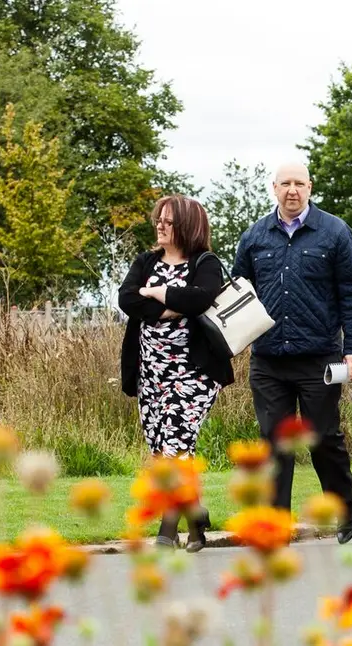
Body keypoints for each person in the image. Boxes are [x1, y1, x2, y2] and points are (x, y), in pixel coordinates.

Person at [232, 161, 352, 544]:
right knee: (274, 443)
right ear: (274, 188)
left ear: (310, 187)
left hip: (320, 358)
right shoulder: (255, 236)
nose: (292, 190)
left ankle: (344, 510)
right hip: (268, 360)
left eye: (299, 183)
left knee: (324, 437)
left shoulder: (335, 232)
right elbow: (238, 294)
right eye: (285, 184)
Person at [118, 195, 234, 552]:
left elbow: (201, 298)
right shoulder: (145, 261)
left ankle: (168, 529)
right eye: (159, 220)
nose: (160, 226)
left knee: (175, 447)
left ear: (186, 225)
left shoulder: (205, 262)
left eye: (168, 221)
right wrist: (170, 305)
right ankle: (196, 518)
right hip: (151, 372)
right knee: (161, 450)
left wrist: (155, 293)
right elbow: (126, 300)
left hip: (195, 373)